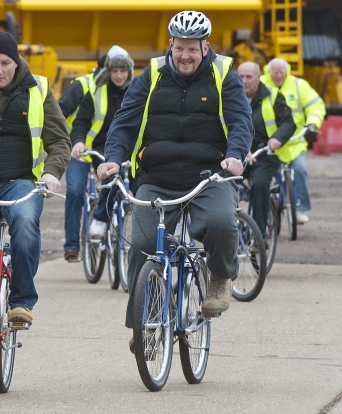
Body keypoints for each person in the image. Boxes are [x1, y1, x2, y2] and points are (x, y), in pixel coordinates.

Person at [97, 10, 253, 350]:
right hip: (157, 176)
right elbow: (125, 121)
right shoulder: (151, 74)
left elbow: (241, 119)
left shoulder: (223, 73)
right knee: (141, 243)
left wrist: (235, 154)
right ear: (171, 44)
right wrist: (112, 159)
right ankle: (144, 325)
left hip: (209, 175)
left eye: (192, 49)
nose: (185, 56)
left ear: (205, 47)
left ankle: (221, 277)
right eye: (179, 48)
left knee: (221, 222)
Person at [0, 31, 71, 325]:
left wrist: (51, 172)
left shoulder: (38, 89)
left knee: (24, 225)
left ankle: (21, 301)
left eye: (5, 63)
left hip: (21, 182)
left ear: (17, 62)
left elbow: (60, 141)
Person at [63, 46, 138, 262]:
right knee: (76, 191)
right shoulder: (94, 91)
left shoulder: (135, 92)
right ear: (108, 72)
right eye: (114, 71)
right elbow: (80, 122)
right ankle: (72, 245)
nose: (119, 75)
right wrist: (76, 142)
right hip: (88, 151)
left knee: (139, 189)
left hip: (122, 151)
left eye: (123, 71)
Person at [261, 57, 326, 224]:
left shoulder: (299, 85)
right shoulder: (261, 84)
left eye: (282, 72)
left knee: (300, 170)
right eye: (275, 73)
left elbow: (316, 104)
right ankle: (267, 212)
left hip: (294, 143)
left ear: (287, 71)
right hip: (270, 144)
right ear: (269, 72)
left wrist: (313, 121)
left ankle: (299, 208)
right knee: (264, 178)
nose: (279, 76)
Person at [238, 62, 295, 240]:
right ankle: (229, 230)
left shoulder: (273, 96)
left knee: (260, 184)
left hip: (265, 153)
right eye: (241, 77)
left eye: (249, 77)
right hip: (239, 152)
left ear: (258, 77)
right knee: (223, 183)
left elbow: (289, 122)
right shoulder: (230, 95)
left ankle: (258, 235)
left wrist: (277, 138)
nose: (245, 81)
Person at [60, 55, 106, 262]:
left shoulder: (122, 88)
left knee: (114, 188)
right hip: (77, 149)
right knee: (76, 191)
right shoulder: (82, 85)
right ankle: (71, 245)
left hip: (103, 149)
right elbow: (59, 112)